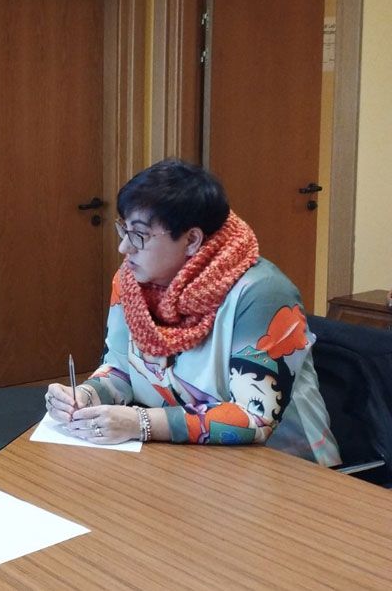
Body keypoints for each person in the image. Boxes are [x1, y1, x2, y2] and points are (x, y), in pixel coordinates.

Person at [45, 159, 339, 465]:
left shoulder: (261, 292)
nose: (124, 248)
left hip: (283, 466)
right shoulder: (131, 283)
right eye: (124, 231)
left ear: (191, 240)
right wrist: (86, 396)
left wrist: (140, 423)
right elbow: (121, 369)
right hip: (179, 459)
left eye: (139, 236)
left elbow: (256, 417)